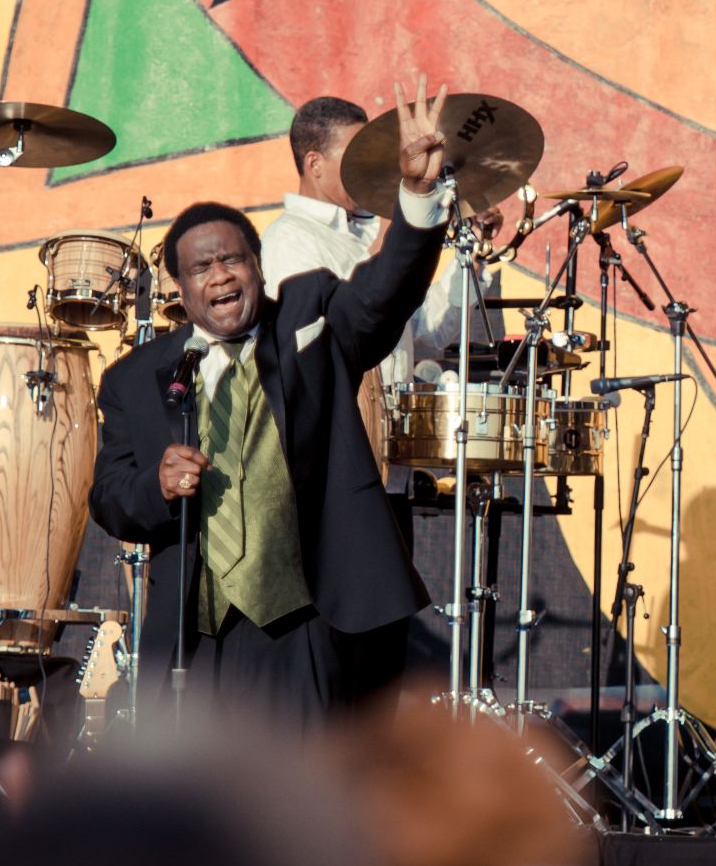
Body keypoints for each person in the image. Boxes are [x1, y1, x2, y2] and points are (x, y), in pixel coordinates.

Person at [87, 79, 451, 727]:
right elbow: (110, 495)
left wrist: (418, 201)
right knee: (203, 817)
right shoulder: (135, 378)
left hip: (302, 623)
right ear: (183, 286)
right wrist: (157, 485)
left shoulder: (307, 322)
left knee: (304, 806)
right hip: (195, 639)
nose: (220, 275)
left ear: (258, 266)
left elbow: (380, 296)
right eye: (202, 268)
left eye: (232, 259)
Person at [258, 95, 505, 706]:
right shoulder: (290, 244)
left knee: (377, 685)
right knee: (334, 680)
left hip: (386, 483)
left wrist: (481, 258)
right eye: (358, 155)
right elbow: (352, 326)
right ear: (314, 164)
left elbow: (428, 336)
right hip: (325, 496)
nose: (377, 166)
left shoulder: (364, 239)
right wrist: (409, 223)